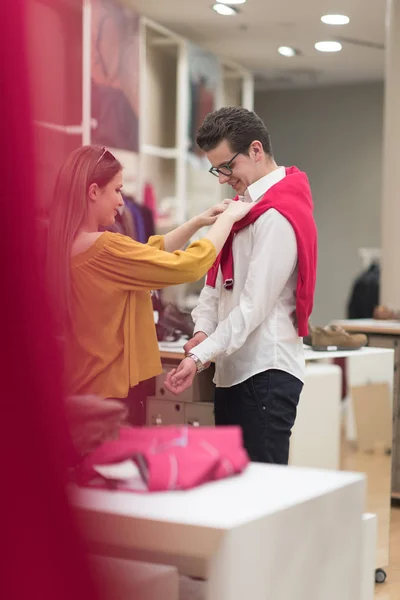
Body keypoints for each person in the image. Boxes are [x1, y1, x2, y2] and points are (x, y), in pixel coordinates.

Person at [165, 107, 318, 465]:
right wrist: (203, 331)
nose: (221, 178)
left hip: (266, 370)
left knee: (262, 497)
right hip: (231, 370)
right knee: (233, 492)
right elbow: (214, 285)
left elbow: (252, 307)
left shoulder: (278, 214)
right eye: (216, 169)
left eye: (226, 167)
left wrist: (199, 356)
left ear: (255, 150)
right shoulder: (242, 208)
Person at [46, 144, 251, 400]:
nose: (121, 201)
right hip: (110, 394)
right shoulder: (105, 247)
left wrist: (198, 221)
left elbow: (147, 252)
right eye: (117, 190)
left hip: (81, 389)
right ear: (94, 191)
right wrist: (227, 220)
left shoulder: (68, 245)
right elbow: (189, 266)